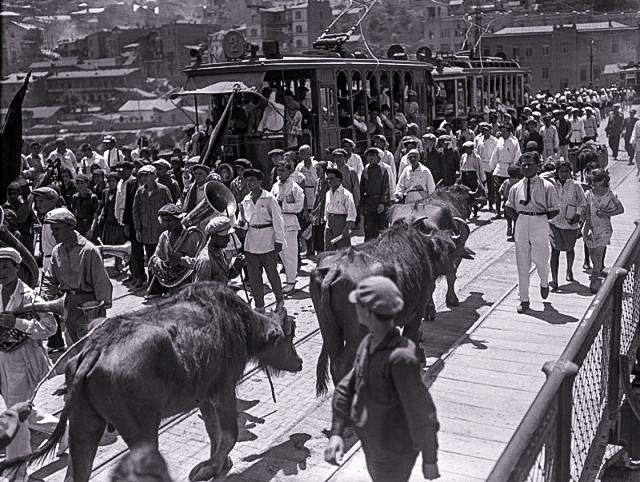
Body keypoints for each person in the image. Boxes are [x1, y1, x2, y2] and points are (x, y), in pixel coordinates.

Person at [325, 275, 440, 482]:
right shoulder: (368, 343)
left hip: (394, 451)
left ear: (369, 312)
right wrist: (336, 432)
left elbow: (421, 410)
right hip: (372, 444)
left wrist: (430, 458)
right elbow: (346, 388)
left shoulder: (401, 358)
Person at [0, 248, 57, 480]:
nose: (1, 272)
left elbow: (50, 328)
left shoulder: (30, 297)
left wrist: (19, 322)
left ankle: (17, 471)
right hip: (0, 361)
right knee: (21, 411)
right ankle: (63, 432)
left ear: (17, 268)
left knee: (16, 418)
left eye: (5, 267)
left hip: (21, 363)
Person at [42, 208, 112, 343]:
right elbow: (50, 280)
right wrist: (43, 300)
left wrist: (99, 311)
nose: (53, 233)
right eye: (52, 229)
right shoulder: (57, 251)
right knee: (73, 346)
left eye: (57, 229)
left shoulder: (89, 250)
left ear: (69, 228)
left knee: (92, 346)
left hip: (89, 305)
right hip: (68, 305)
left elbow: (101, 282)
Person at [504, 152, 560, 314]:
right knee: (522, 261)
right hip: (521, 222)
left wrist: (539, 218)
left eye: (530, 164)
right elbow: (509, 207)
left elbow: (554, 210)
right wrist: (521, 218)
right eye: (524, 164)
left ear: (538, 166)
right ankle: (524, 298)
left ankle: (544, 281)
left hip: (540, 221)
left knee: (541, 259)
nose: (527, 167)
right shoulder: (516, 187)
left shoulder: (547, 186)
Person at [237, 169, 285, 313]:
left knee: (272, 274)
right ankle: (259, 305)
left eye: (252, 180)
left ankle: (280, 300)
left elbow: (278, 220)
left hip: (267, 240)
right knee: (254, 277)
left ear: (259, 182)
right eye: (248, 180)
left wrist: (279, 240)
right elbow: (245, 223)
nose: (249, 183)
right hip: (251, 242)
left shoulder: (269, 198)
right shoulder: (245, 200)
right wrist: (242, 222)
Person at [582, 168, 625, 293]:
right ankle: (597, 271)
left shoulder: (611, 194)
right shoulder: (589, 194)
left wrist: (606, 212)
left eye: (596, 181)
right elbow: (586, 211)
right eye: (592, 180)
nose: (593, 183)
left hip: (604, 228)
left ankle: (594, 281)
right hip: (590, 227)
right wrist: (584, 227)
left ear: (603, 181)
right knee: (593, 255)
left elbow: (620, 209)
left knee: (599, 254)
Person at [147, 204, 202, 298]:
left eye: (169, 220)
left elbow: (200, 263)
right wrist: (160, 264)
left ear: (179, 220)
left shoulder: (193, 235)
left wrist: (181, 260)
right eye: (163, 221)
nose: (165, 224)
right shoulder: (164, 237)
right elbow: (154, 258)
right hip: (173, 286)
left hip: (191, 284)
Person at [549, 160, 587, 291]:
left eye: (566, 171)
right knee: (555, 250)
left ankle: (569, 269)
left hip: (570, 224)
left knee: (569, 248)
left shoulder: (576, 186)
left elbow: (583, 203)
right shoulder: (552, 185)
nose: (564, 174)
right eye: (561, 171)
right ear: (557, 172)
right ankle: (554, 280)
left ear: (570, 172)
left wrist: (578, 214)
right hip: (554, 222)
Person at [132, 165, 174, 286]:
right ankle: (153, 285)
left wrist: (170, 228)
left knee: (164, 258)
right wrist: (138, 230)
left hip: (161, 231)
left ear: (154, 176)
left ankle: (165, 286)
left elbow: (171, 209)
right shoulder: (140, 192)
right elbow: (136, 212)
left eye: (147, 175)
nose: (144, 178)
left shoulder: (163, 190)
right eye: (142, 175)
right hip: (146, 232)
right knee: (151, 259)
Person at [271, 162, 304, 294]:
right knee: (281, 253)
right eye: (278, 170)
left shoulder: (295, 187)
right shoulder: (275, 186)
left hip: (290, 222)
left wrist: (282, 205)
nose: (280, 173)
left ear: (289, 172)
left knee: (290, 253)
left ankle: (291, 282)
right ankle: (291, 274)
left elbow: (299, 207)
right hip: (277, 222)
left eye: (283, 170)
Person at [193, 216, 242, 284]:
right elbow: (200, 292)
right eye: (225, 237)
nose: (228, 240)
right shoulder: (205, 261)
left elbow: (224, 277)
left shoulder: (221, 252)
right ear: (214, 236)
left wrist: (237, 265)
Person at [491, 123, 522, 219]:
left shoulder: (514, 142)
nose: (502, 133)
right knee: (497, 191)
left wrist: (514, 167)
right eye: (501, 131)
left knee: (508, 192)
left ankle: (508, 211)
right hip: (499, 168)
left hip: (509, 169)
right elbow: (495, 154)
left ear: (509, 132)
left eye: (504, 131)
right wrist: (492, 166)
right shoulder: (499, 141)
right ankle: (498, 212)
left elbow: (517, 155)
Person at [98, 171, 127, 272]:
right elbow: (103, 206)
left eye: (113, 181)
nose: (111, 183)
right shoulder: (105, 192)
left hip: (117, 222)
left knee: (118, 245)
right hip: (108, 221)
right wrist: (101, 216)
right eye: (109, 181)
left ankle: (118, 265)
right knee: (107, 245)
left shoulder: (120, 192)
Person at [360, 148, 391, 241]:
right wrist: (361, 205)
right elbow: (361, 188)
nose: (371, 158)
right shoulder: (365, 170)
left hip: (380, 204)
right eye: (369, 156)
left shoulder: (383, 170)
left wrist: (382, 203)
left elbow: (386, 188)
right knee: (368, 230)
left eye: (373, 155)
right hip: (368, 204)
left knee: (382, 230)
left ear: (378, 158)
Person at [3, 183, 36, 254]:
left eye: (14, 193)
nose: (11, 196)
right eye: (9, 194)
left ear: (18, 194)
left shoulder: (25, 208)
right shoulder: (4, 208)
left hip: (25, 237)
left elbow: (35, 222)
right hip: (10, 238)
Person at [475, 122, 498, 211]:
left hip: (491, 165)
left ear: (490, 131)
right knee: (481, 185)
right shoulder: (480, 141)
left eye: (486, 130)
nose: (485, 132)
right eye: (483, 130)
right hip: (482, 165)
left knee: (491, 185)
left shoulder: (495, 141)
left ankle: (491, 203)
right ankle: (483, 201)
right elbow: (477, 154)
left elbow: (496, 154)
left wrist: (494, 166)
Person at [69, 174, 100, 240]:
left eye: (82, 183)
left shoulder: (93, 197)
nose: (79, 186)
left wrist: (91, 230)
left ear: (87, 184)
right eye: (77, 183)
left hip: (89, 225)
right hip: (78, 226)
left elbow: (95, 215)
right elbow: (73, 213)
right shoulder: (75, 197)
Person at [459, 141, 485, 216]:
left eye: (468, 148)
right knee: (465, 194)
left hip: (472, 176)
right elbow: (461, 166)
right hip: (465, 176)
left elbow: (480, 168)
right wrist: (461, 177)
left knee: (472, 193)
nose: (467, 150)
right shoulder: (463, 156)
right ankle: (468, 209)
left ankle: (475, 207)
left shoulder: (476, 157)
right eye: (466, 148)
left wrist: (482, 179)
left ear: (471, 149)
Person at [498, 165, 522, 241]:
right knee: (516, 220)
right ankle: (514, 233)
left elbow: (500, 191)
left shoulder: (506, 182)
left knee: (508, 217)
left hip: (507, 203)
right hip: (517, 205)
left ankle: (509, 226)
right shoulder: (520, 182)